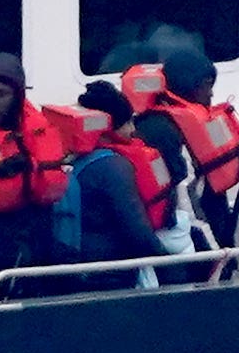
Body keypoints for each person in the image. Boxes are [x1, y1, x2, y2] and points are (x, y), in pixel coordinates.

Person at [53, 81, 170, 291]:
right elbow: (137, 229)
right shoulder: (114, 167)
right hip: (109, 275)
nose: (133, 130)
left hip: (77, 269)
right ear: (108, 127)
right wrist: (168, 261)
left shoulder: (69, 158)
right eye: (127, 123)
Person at [133, 48, 239, 252]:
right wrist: (213, 252)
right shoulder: (172, 132)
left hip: (173, 235)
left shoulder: (148, 122)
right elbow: (186, 198)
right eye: (207, 85)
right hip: (191, 241)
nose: (211, 93)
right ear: (190, 85)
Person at [0, 53, 67, 291]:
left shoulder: (34, 129)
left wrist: (28, 165)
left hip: (32, 229)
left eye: (1, 95)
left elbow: (53, 181)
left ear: (17, 96)